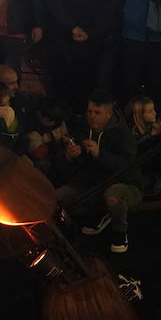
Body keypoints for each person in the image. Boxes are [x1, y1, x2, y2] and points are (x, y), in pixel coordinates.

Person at [55, 90, 139, 254]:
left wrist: (100, 154)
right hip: (91, 182)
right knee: (57, 198)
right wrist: (71, 155)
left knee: (113, 195)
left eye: (97, 112)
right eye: (89, 111)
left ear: (108, 114)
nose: (91, 116)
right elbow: (73, 164)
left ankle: (120, 232)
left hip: (121, 182)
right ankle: (66, 236)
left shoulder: (122, 134)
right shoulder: (83, 127)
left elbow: (129, 166)